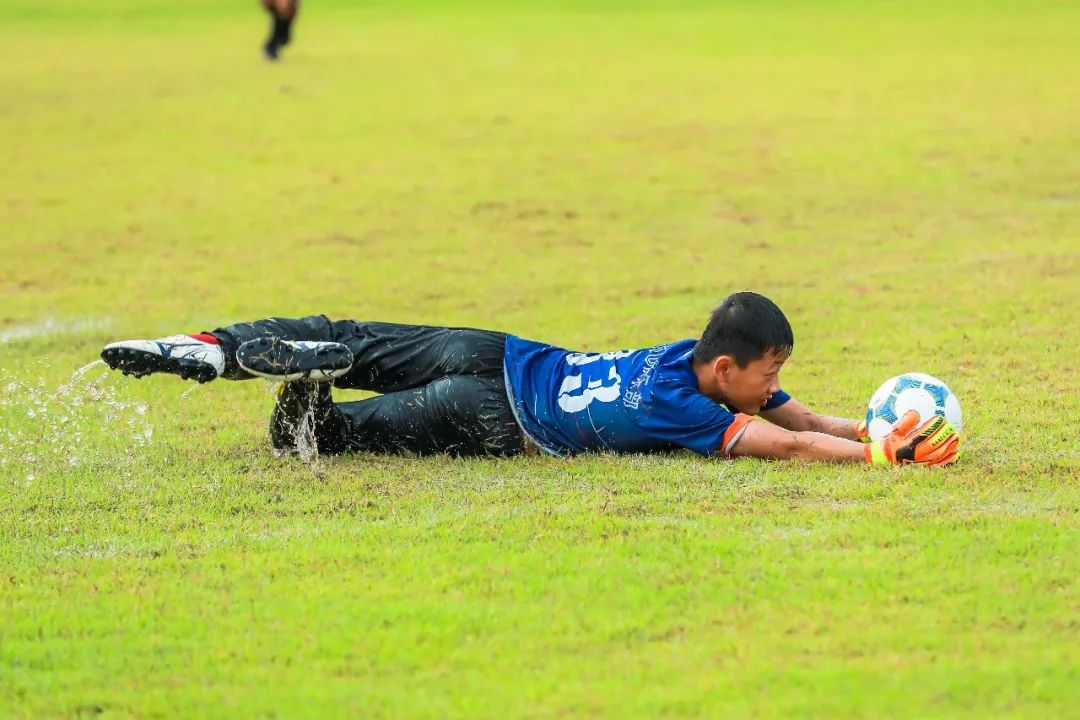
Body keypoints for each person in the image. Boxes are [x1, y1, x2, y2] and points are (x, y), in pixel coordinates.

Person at [99, 292, 960, 466]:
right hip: (493, 414)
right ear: (727, 368)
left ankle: (219, 345)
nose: (775, 386)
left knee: (350, 336)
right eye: (769, 371)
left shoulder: (682, 356)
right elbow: (785, 441)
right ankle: (312, 400)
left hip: (502, 351)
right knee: (332, 440)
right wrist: (875, 456)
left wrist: (863, 424)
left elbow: (792, 413)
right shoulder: (689, 412)